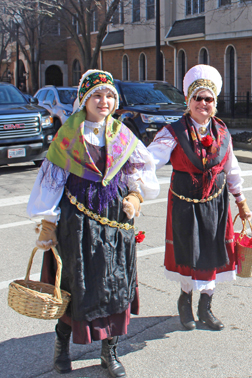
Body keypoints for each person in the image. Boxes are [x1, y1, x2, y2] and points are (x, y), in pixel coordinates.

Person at [27, 69, 160, 377]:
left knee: (114, 283)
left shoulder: (123, 134)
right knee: (75, 285)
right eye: (97, 95)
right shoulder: (68, 136)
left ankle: (109, 353)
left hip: (115, 222)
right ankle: (62, 347)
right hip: (77, 223)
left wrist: (137, 196)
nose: (104, 101)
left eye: (110, 95)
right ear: (84, 100)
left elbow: (136, 172)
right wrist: (48, 221)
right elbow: (52, 181)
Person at [147, 64, 252, 331]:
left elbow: (232, 169)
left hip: (216, 203)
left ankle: (206, 307)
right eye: (197, 98)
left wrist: (241, 201)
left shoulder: (222, 133)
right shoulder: (174, 132)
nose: (202, 103)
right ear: (188, 101)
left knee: (213, 252)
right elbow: (148, 161)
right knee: (188, 252)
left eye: (208, 99)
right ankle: (185, 302)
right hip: (184, 202)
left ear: (214, 103)